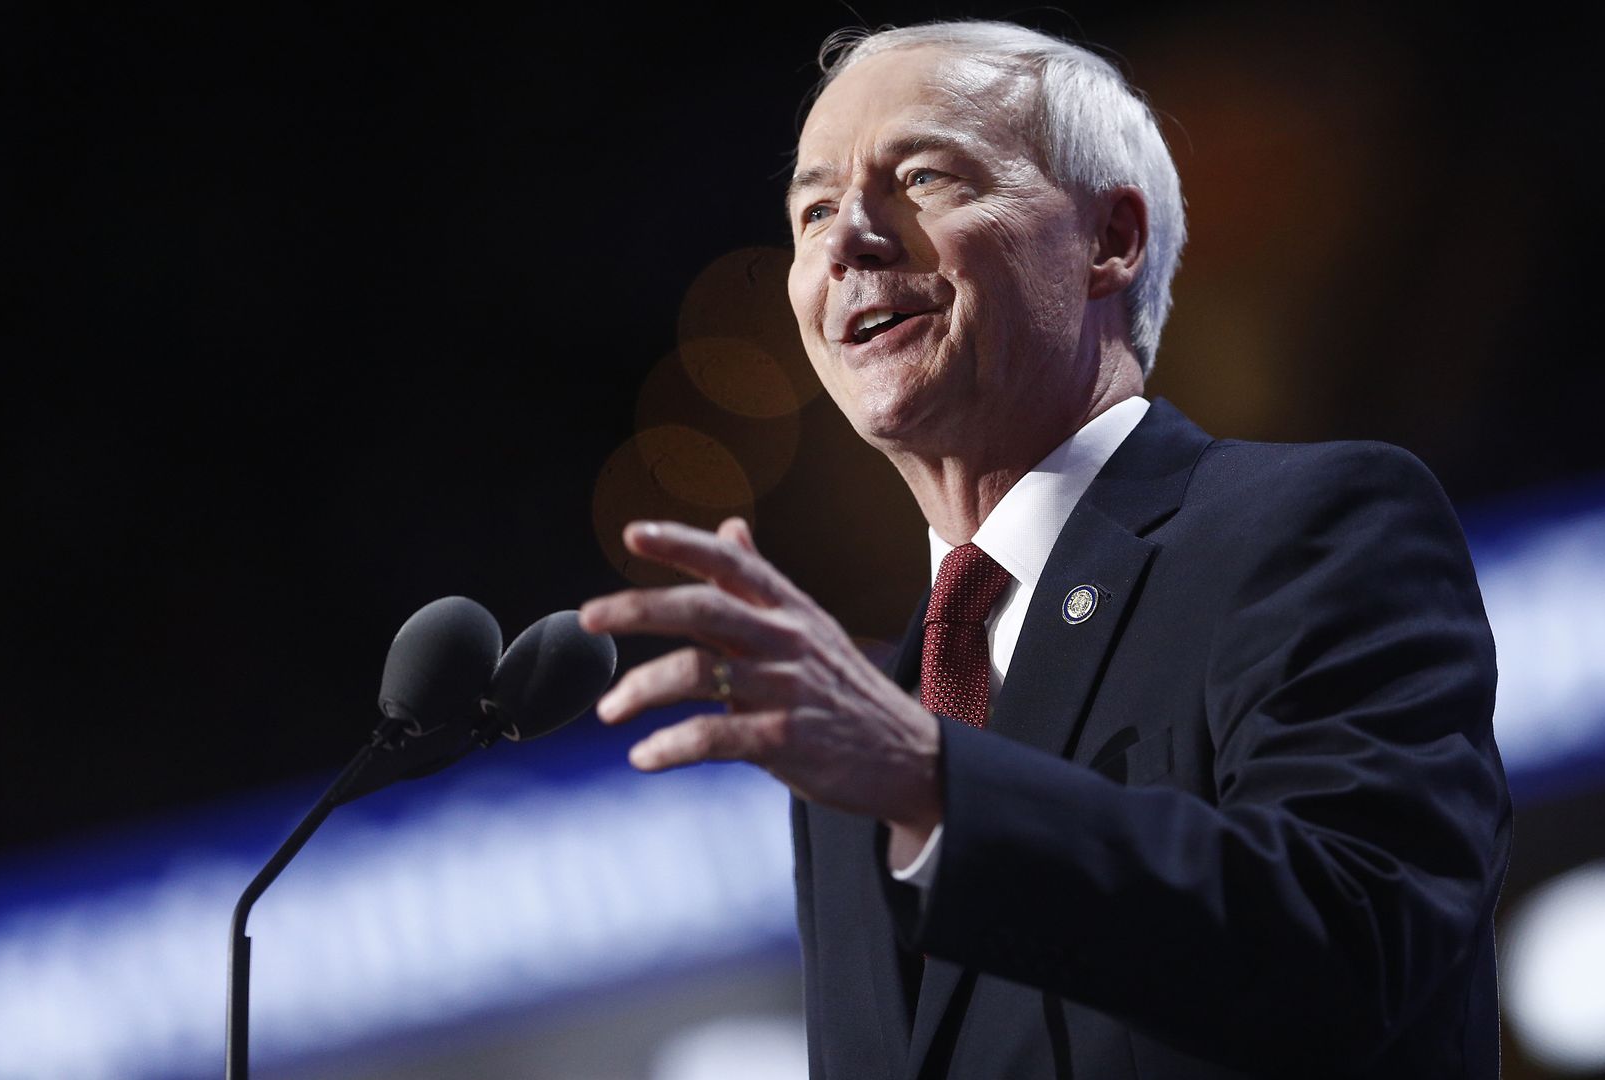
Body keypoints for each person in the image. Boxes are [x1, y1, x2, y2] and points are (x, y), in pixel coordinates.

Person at [579, 19, 1510, 1079]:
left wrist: (937, 784)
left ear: (1110, 240)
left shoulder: (1314, 528)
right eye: (814, 209)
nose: (846, 243)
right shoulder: (869, 728)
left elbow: (1359, 954)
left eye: (922, 178)